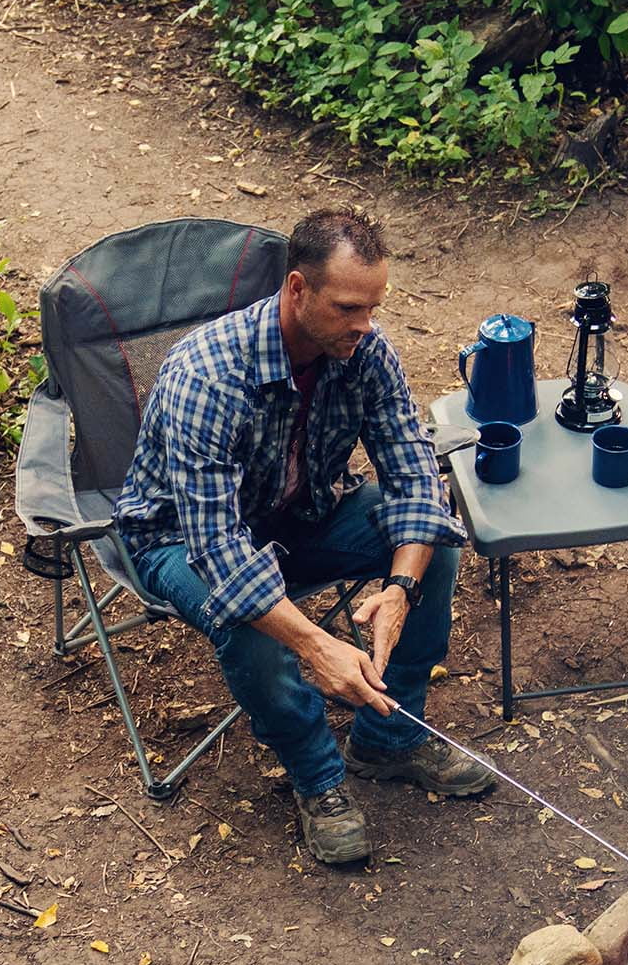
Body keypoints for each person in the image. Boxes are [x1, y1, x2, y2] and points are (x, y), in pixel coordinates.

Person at [116, 208, 493, 864]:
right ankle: (318, 777)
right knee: (243, 619)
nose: (366, 326)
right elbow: (222, 554)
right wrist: (318, 646)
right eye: (349, 308)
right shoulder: (206, 376)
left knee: (435, 543)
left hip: (302, 514)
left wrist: (401, 587)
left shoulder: (364, 352)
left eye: (373, 307)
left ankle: (389, 737)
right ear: (297, 291)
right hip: (179, 538)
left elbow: (412, 476)